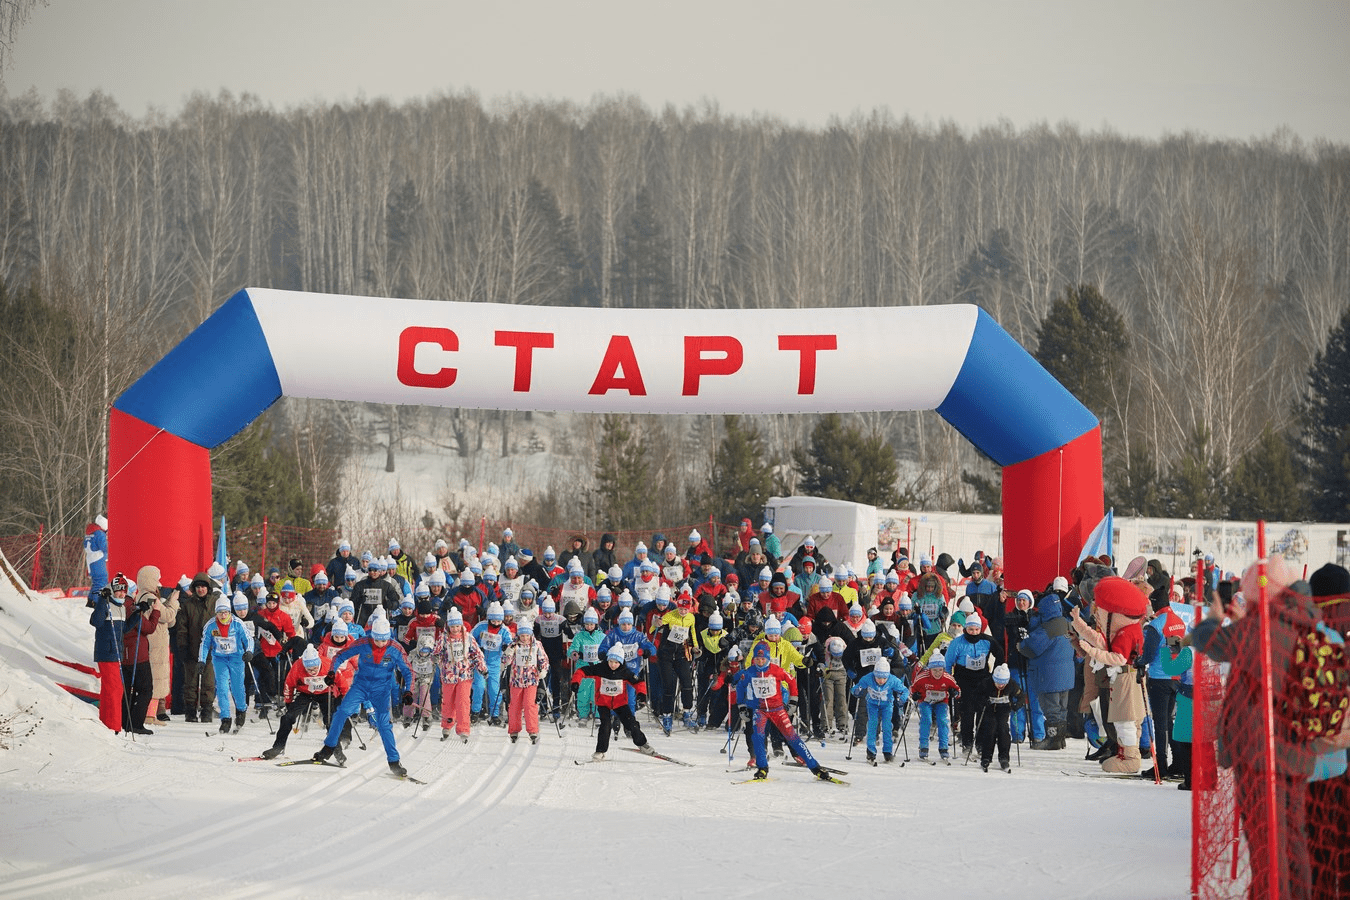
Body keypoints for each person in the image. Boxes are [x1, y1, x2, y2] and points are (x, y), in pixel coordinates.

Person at [313, 617, 415, 777]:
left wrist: (408, 690)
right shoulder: (363, 642)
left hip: (381, 690)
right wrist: (331, 672)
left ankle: (394, 762)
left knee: (383, 724)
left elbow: (408, 671)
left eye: (384, 640)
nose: (380, 643)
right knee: (341, 712)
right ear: (372, 635)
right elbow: (339, 655)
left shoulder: (395, 648)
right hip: (360, 685)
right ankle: (328, 747)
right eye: (377, 639)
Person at [733, 640, 831, 781]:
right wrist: (742, 706)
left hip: (777, 709)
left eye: (763, 659)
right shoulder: (750, 672)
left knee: (792, 737)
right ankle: (762, 768)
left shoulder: (776, 670)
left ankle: (815, 767)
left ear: (768, 658)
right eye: (757, 659)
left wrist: (793, 700)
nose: (760, 662)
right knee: (758, 737)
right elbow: (741, 686)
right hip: (759, 710)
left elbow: (791, 681)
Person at [260, 643, 353, 760]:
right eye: (309, 669)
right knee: (287, 717)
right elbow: (289, 684)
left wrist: (346, 698)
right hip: (305, 693)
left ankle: (337, 751)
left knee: (330, 721)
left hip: (324, 693)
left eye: (314, 668)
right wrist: (288, 702)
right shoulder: (298, 666)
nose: (312, 671)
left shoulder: (328, 665)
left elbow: (342, 683)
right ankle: (278, 747)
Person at [1018, 590, 1075, 751]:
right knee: (1062, 709)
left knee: (1052, 710)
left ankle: (1053, 740)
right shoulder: (1066, 622)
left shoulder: (1048, 628)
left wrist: (1021, 642)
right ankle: (1060, 739)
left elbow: (1031, 647)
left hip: (1049, 676)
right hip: (1066, 675)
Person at [579, 646, 657, 760]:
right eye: (610, 661)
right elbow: (582, 671)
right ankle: (600, 751)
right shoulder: (601, 668)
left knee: (631, 724)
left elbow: (639, 682)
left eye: (616, 662)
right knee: (605, 726)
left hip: (620, 703)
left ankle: (642, 744)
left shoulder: (624, 671)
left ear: (620, 662)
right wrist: (575, 682)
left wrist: (641, 694)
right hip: (603, 703)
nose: (612, 665)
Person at [945, 612, 1003, 756]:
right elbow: (948, 662)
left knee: (982, 712)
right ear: (965, 629)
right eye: (971, 630)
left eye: (976, 630)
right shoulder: (957, 643)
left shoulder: (987, 641)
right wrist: (949, 681)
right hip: (963, 678)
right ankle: (967, 743)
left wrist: (997, 672)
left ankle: (980, 744)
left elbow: (1000, 654)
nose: (974, 633)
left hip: (982, 679)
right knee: (967, 713)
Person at [200, 594, 252, 734]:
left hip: (236, 658)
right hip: (220, 659)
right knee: (222, 688)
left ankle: (241, 710)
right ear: (216, 613)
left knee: (237, 688)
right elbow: (204, 644)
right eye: (220, 612)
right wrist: (202, 660)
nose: (223, 615)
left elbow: (248, 639)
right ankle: (225, 719)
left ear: (229, 612)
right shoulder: (211, 625)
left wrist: (249, 651)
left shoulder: (237, 623)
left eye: (226, 612)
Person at [434, 608, 487, 742]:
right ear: (448, 625)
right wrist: (435, 658)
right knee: (448, 702)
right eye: (452, 626)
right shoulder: (444, 638)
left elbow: (477, 654)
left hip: (464, 675)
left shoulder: (468, 637)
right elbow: (437, 652)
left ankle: (463, 728)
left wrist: (482, 668)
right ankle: (447, 725)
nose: (455, 629)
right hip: (448, 676)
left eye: (457, 625)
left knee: (463, 702)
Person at [118, 575, 161, 735]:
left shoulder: (119, 605)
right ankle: (135, 723)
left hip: (125, 654)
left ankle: (125, 721)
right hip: (137, 655)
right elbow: (148, 628)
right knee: (145, 690)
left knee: (127, 690)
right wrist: (155, 612)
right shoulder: (130, 607)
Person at [90, 573, 130, 733]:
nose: (121, 593)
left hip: (116, 653)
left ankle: (106, 722)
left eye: (124, 590)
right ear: (112, 590)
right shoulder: (106, 603)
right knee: (115, 689)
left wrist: (138, 615)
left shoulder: (121, 607)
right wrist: (102, 600)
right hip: (106, 653)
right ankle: (114, 726)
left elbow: (124, 630)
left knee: (109, 689)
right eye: (118, 590)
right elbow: (96, 622)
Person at [139, 566, 179, 727]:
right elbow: (168, 616)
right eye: (156, 579)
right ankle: (149, 715)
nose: (159, 583)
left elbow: (168, 621)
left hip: (154, 643)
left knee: (155, 679)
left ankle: (150, 714)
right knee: (156, 680)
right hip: (155, 644)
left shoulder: (141, 596)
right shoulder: (150, 598)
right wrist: (174, 602)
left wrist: (168, 604)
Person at [851, 658, 910, 764]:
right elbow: (857, 687)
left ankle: (887, 751)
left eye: (884, 678)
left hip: (887, 705)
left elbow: (904, 690)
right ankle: (871, 751)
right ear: (874, 674)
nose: (881, 681)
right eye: (878, 677)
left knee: (887, 727)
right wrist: (856, 691)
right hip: (872, 704)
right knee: (872, 725)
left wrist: (902, 699)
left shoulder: (892, 680)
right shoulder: (868, 678)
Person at [911, 653, 959, 763]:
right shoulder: (922, 677)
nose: (937, 673)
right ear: (930, 669)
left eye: (940, 670)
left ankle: (943, 748)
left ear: (943, 669)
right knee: (926, 719)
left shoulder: (948, 678)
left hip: (941, 702)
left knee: (942, 720)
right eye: (935, 670)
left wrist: (954, 693)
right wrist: (915, 695)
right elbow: (912, 688)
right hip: (925, 701)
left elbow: (958, 691)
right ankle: (923, 746)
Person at [505, 625, 549, 744]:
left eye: (527, 635)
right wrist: (508, 652)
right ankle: (514, 730)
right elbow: (505, 661)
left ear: (531, 635)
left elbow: (543, 659)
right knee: (515, 705)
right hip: (516, 680)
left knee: (530, 705)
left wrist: (543, 670)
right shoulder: (514, 645)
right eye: (522, 635)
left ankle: (533, 730)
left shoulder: (536, 644)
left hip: (531, 680)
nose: (524, 638)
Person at [975, 663, 1022, 772]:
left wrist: (1017, 705)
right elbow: (976, 696)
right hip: (989, 710)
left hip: (1003, 710)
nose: (1001, 686)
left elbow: (1021, 696)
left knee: (1003, 730)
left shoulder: (1011, 684)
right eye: (998, 683)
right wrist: (983, 702)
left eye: (1003, 683)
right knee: (990, 729)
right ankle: (986, 757)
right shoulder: (987, 683)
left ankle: (1004, 757)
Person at [83, 514, 109, 604]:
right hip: (98, 560)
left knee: (96, 582)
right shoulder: (99, 533)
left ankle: (91, 601)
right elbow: (105, 547)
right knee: (101, 581)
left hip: (91, 560)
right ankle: (97, 602)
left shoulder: (90, 533)